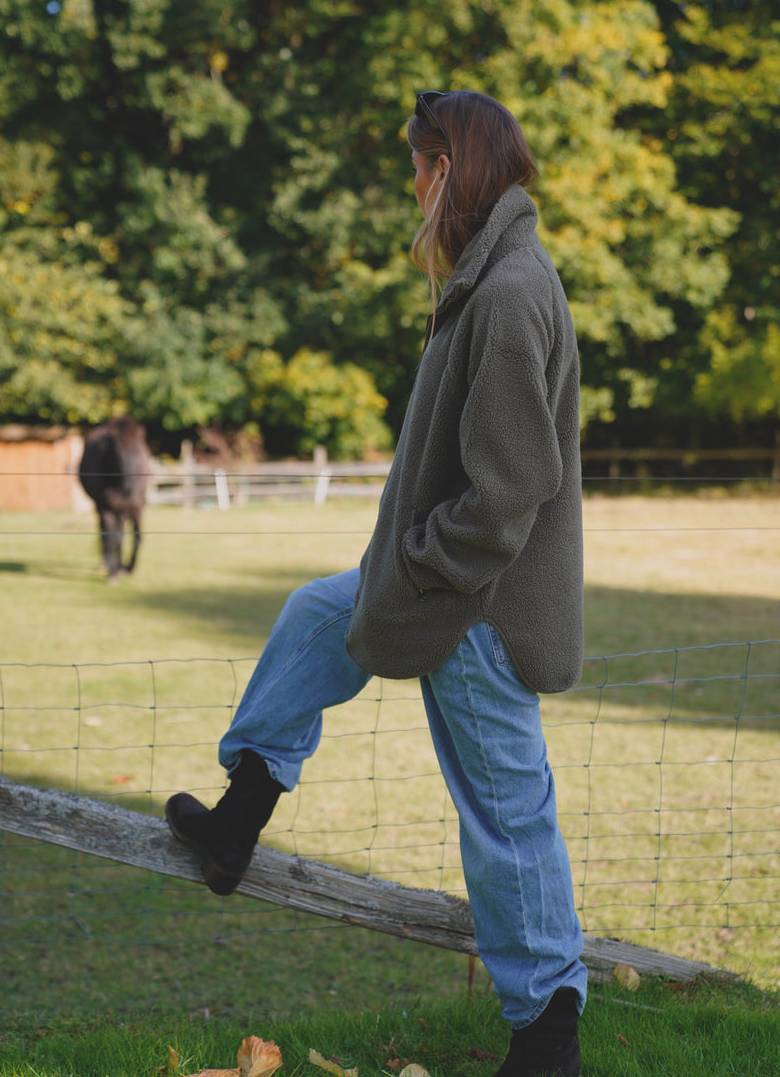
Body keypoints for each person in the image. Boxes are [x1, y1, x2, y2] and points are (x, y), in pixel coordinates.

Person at [166, 90, 587, 1077]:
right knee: (317, 612)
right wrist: (398, 566)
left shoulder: (512, 288)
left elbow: (510, 489)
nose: (410, 183)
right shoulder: (486, 277)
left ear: (450, 168)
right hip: (436, 581)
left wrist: (420, 566)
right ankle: (240, 818)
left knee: (504, 814)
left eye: (418, 163)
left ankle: (547, 1037)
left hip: (474, 607)